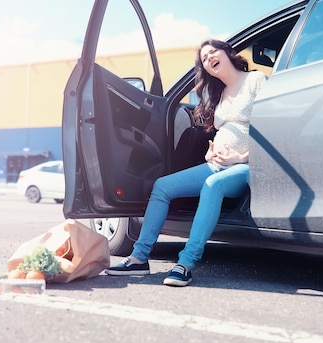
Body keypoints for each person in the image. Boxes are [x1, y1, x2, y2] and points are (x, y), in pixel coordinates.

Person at [105, 39, 268, 287]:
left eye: (214, 51)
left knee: (213, 185)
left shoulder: (255, 80)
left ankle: (186, 263)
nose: (209, 58)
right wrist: (210, 153)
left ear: (228, 53)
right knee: (161, 186)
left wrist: (241, 157)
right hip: (216, 163)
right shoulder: (220, 94)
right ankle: (139, 257)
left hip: (246, 167)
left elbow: (272, 127)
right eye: (204, 59)